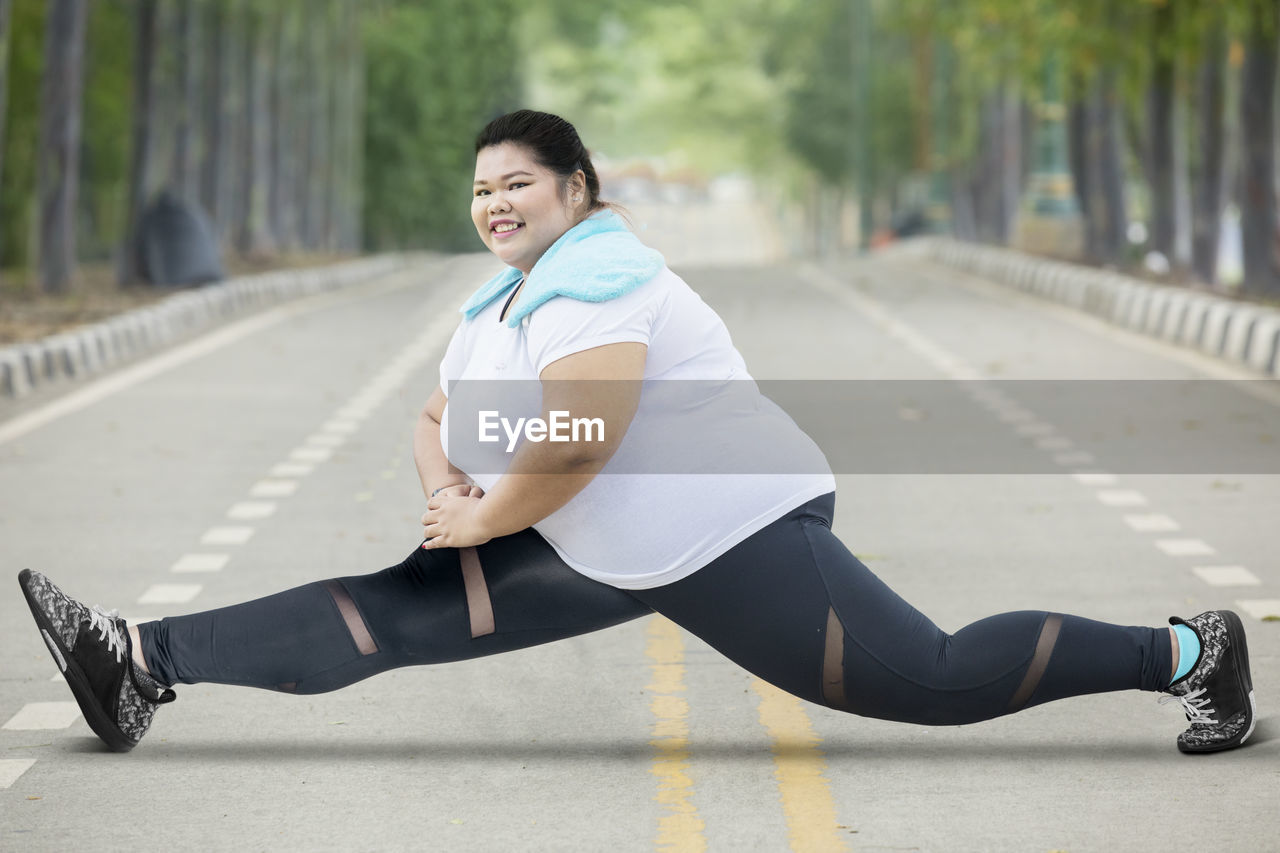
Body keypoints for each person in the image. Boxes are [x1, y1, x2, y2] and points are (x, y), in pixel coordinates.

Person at [19, 110, 1255, 757]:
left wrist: (490, 510)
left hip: (722, 526)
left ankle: (1190, 652)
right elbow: (439, 412)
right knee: (386, 612)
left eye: (517, 181)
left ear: (577, 191)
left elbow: (585, 428)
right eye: (479, 186)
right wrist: (450, 492)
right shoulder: (497, 302)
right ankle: (138, 662)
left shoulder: (602, 275)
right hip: (593, 537)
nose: (493, 201)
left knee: (928, 679)